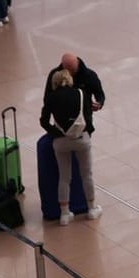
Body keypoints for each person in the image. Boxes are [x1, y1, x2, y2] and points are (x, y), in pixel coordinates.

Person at [38, 66, 101, 225]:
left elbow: (44, 121)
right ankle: (92, 209)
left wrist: (56, 132)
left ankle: (65, 214)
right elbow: (87, 116)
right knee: (87, 174)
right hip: (81, 139)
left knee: (64, 177)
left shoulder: (51, 98)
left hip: (61, 142)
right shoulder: (80, 93)